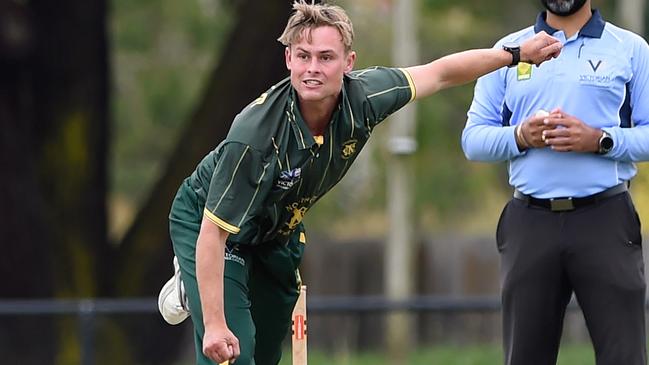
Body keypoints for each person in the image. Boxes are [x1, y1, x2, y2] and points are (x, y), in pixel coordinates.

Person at [157, 1, 562, 364]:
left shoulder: (366, 96)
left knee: (264, 354)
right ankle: (194, 282)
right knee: (232, 352)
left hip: (276, 229)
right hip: (213, 227)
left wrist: (514, 55)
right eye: (303, 56)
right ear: (288, 59)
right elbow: (213, 233)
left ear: (349, 62)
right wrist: (213, 324)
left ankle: (207, 287)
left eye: (325, 57)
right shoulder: (255, 135)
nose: (313, 68)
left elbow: (439, 74)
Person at [462, 0, 649, 364]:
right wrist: (520, 136)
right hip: (529, 223)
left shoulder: (630, 49)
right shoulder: (507, 53)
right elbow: (473, 140)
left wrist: (599, 140)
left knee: (623, 356)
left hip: (606, 219)